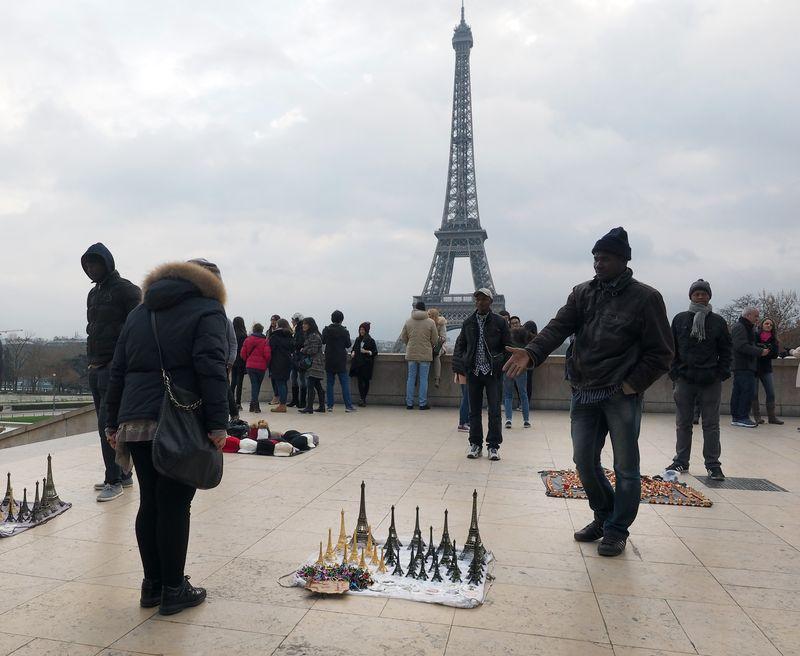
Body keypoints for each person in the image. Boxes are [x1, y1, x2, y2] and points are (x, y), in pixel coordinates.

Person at [504, 227, 673, 556]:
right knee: (583, 461)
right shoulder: (582, 293)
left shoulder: (646, 298)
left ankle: (617, 530)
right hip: (584, 391)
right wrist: (532, 352)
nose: (598, 264)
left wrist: (630, 385)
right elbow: (558, 327)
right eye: (595, 258)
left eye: (605, 258)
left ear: (623, 260)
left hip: (620, 393)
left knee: (626, 468)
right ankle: (604, 515)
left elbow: (662, 353)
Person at [104, 258, 228, 616]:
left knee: (151, 501)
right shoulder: (208, 310)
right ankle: (174, 589)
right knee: (175, 503)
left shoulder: (139, 313)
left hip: (135, 419)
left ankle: (153, 585)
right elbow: (211, 366)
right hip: (177, 418)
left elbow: (118, 370)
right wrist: (218, 423)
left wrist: (112, 422)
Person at [81, 242, 141, 502]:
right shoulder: (93, 294)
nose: (90, 269)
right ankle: (123, 474)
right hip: (96, 367)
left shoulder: (127, 290)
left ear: (107, 263)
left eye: (94, 263)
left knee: (108, 424)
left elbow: (137, 331)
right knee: (106, 424)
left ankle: (113, 479)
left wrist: (122, 363)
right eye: (87, 265)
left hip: (114, 369)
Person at [666, 279, 732, 481]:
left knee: (711, 424)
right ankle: (681, 461)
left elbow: (726, 350)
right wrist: (675, 373)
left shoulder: (718, 322)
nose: (701, 296)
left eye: (704, 294)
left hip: (710, 379)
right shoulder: (679, 319)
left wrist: (720, 373)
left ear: (709, 297)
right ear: (691, 296)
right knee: (683, 423)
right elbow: (671, 348)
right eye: (697, 294)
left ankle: (713, 464)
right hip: (685, 378)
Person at [453, 288, 512, 461]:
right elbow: (461, 345)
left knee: (494, 411)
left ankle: (493, 446)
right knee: (474, 411)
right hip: (474, 372)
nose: (480, 302)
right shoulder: (468, 322)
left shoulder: (500, 322)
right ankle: (475, 444)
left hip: (492, 372)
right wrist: (463, 365)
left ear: (491, 301)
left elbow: (508, 346)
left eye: (484, 299)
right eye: (478, 299)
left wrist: (500, 364)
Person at [730, 308, 769, 428]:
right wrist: (760, 351)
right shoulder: (740, 327)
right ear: (748, 315)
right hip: (743, 365)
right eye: (756, 316)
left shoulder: (746, 327)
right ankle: (742, 417)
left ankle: (737, 417)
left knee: (740, 391)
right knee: (746, 391)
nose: (757, 318)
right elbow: (741, 346)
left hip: (744, 365)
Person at [399, 301, 438, 410]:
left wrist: (410, 344)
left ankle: (409, 403)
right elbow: (435, 339)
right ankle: (422, 403)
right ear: (425, 309)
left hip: (411, 353)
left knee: (411, 379)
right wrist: (429, 345)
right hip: (425, 354)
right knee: (424, 379)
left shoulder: (408, 321)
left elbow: (403, 337)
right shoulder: (431, 322)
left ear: (415, 309)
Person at [323, 310, 355, 412]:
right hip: (340, 359)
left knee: (329, 384)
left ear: (332, 318)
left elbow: (323, 341)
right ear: (341, 319)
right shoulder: (344, 331)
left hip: (329, 358)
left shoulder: (326, 330)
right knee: (344, 384)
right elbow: (348, 345)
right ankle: (348, 406)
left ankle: (330, 406)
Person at [753, 318, 783, 425]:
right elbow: (752, 349)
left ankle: (772, 417)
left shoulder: (774, 339)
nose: (768, 325)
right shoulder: (755, 336)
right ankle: (757, 417)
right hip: (754, 368)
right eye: (766, 323)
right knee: (754, 394)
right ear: (762, 325)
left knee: (771, 393)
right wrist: (763, 350)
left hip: (766, 369)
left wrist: (764, 351)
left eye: (770, 324)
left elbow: (774, 354)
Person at [504, 327, 531, 429]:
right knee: (523, 394)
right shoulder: (525, 344)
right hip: (521, 370)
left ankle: (508, 419)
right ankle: (526, 420)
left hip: (508, 369)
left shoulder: (508, 342)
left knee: (508, 395)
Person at [240, 323, 271, 413]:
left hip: (250, 366)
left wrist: (248, 360)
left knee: (254, 385)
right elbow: (268, 355)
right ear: (262, 330)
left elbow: (242, 354)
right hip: (261, 367)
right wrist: (266, 363)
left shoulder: (248, 340)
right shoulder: (265, 341)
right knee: (257, 385)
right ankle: (255, 405)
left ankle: (252, 405)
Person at [299, 317, 326, 414]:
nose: (303, 325)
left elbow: (313, 350)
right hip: (316, 363)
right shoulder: (312, 335)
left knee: (310, 385)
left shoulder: (313, 336)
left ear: (310, 325)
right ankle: (322, 406)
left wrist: (303, 350)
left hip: (314, 364)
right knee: (317, 385)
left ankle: (309, 407)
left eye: (305, 324)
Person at [268, 319, 294, 413]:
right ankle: (283, 404)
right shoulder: (290, 336)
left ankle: (282, 405)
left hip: (277, 362)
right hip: (287, 361)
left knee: (280, 383)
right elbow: (292, 348)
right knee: (284, 383)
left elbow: (270, 349)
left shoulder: (275, 336)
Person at [350, 322, 378, 406]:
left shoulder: (371, 340)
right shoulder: (358, 339)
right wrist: (353, 352)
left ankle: (363, 399)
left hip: (366, 364)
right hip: (359, 364)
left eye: (363, 329)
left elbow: (375, 352)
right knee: (360, 381)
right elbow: (354, 349)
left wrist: (366, 351)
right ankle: (362, 399)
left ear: (366, 330)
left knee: (365, 381)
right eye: (360, 329)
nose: (361, 331)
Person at [288, 312, 306, 408]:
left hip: (300, 358)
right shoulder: (297, 330)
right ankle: (295, 400)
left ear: (297, 320)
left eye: (293, 319)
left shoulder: (301, 331)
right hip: (296, 358)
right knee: (294, 378)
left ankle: (302, 401)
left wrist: (293, 344)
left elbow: (299, 344)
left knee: (301, 379)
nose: (292, 321)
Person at [230, 317, 248, 412]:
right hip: (241, 360)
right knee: (239, 382)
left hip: (233, 360)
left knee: (233, 382)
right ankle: (238, 403)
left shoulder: (232, 334)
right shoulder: (244, 335)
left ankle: (230, 401)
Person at [428, 308, 448, 388]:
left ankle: (437, 378)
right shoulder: (427, 323)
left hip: (439, 346)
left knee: (436, 355)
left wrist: (435, 338)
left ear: (434, 316)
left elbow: (443, 338)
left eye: (429, 314)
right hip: (429, 345)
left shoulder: (441, 324)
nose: (428, 316)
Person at [267, 315, 281, 404]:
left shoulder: (281, 332)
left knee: (278, 378)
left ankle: (278, 396)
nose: (272, 322)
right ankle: (276, 395)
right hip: (270, 357)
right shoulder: (269, 331)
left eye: (274, 320)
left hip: (278, 357)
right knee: (272, 377)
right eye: (271, 320)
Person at [523, 320, 538, 403]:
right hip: (531, 362)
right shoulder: (536, 338)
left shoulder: (525, 337)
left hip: (524, 362)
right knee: (528, 383)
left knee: (522, 384)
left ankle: (523, 402)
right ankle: (526, 402)